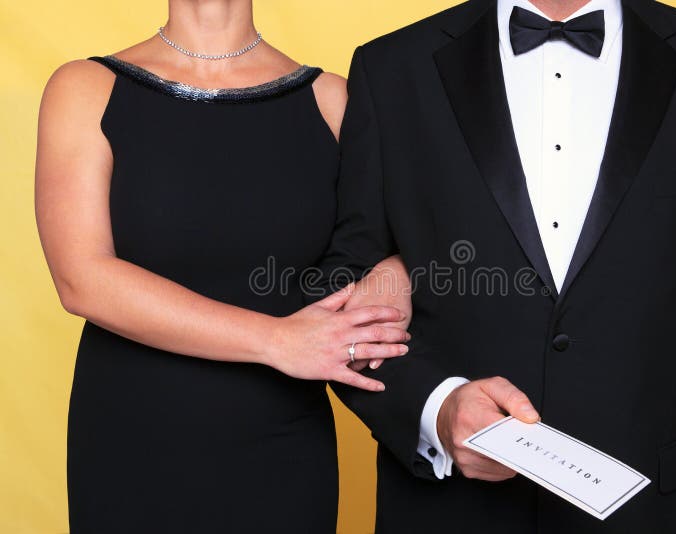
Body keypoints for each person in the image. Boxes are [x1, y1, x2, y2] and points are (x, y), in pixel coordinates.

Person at [322, 0, 676, 532]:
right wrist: (438, 406)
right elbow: (345, 303)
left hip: (659, 511)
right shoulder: (391, 68)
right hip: (452, 511)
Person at [34, 0, 412, 531]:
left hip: (283, 442)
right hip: (132, 440)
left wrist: (395, 274)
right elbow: (82, 279)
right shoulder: (84, 87)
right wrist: (277, 340)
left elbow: (412, 234)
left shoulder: (333, 100)